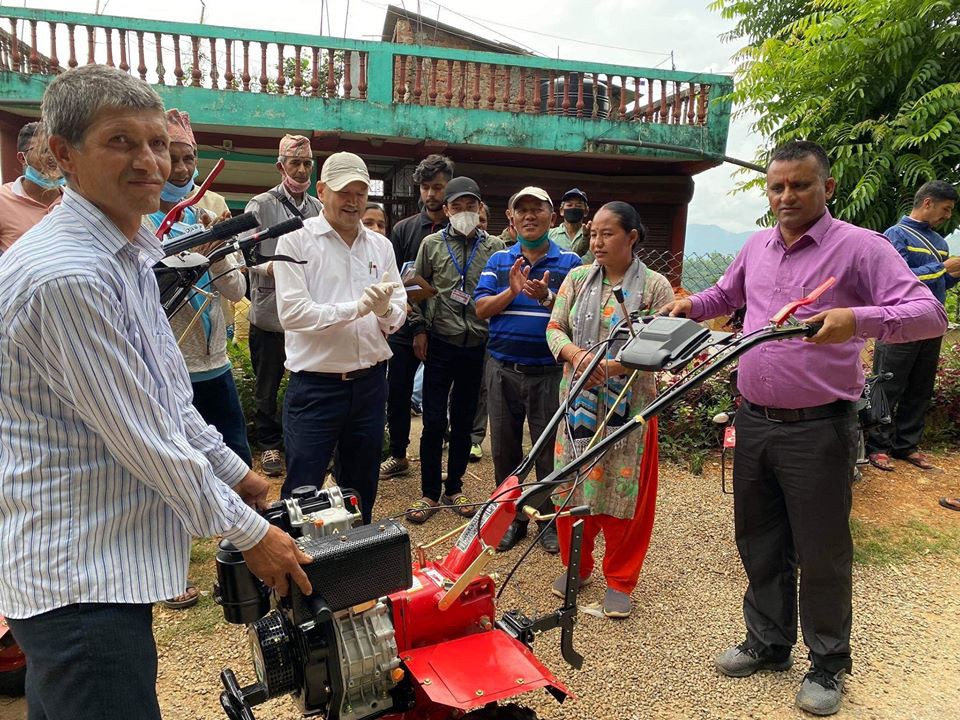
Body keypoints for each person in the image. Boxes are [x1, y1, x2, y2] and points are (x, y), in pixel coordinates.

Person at [0, 64, 312, 720]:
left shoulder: (128, 251)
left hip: (93, 567)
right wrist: (249, 532)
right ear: (63, 154)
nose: (150, 160)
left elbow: (164, 395)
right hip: (77, 581)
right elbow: (141, 436)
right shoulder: (69, 276)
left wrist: (238, 475)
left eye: (156, 142)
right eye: (121, 141)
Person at [664, 141, 947, 716]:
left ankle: (827, 664)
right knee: (759, 541)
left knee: (820, 551)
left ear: (828, 188)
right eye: (777, 187)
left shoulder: (860, 249)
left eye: (800, 185)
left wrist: (856, 319)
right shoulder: (755, 247)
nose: (786, 196)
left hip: (819, 428)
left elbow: (928, 313)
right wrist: (690, 306)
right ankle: (768, 642)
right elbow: (728, 295)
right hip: (753, 421)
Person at [144, 109, 250, 610]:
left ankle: (240, 547)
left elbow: (236, 288)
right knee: (171, 465)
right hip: (166, 369)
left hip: (214, 361)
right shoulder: (140, 215)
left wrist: (221, 244)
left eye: (190, 157)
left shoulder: (211, 205)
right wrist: (178, 249)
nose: (183, 167)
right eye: (174, 156)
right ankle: (171, 571)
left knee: (235, 453)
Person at [546, 201, 673, 615]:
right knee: (572, 483)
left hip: (630, 405)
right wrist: (575, 356)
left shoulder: (656, 287)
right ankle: (576, 565)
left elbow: (661, 346)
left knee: (624, 492)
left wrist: (613, 365)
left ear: (632, 237)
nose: (597, 241)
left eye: (607, 233)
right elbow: (554, 326)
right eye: (593, 233)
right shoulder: (578, 278)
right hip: (578, 401)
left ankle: (620, 579)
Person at [274, 151, 405, 523]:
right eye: (343, 191)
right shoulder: (296, 241)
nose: (353, 201)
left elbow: (397, 314)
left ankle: (355, 569)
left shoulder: (380, 246)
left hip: (369, 385)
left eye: (360, 192)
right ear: (321, 190)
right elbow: (294, 314)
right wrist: (358, 307)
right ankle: (298, 576)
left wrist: (383, 311)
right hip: (316, 388)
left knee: (362, 486)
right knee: (303, 490)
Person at [475, 186, 582, 554]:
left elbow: (577, 315)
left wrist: (546, 297)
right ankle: (509, 518)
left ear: (552, 219)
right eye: (522, 211)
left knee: (550, 449)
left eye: (538, 210)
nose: (530, 216)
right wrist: (512, 292)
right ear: (511, 218)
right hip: (502, 368)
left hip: (549, 372)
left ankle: (546, 518)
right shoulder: (498, 260)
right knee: (503, 448)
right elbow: (481, 309)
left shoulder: (570, 264)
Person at [407, 177, 505, 522]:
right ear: (445, 209)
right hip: (441, 342)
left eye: (470, 205)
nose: (464, 212)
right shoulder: (431, 245)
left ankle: (455, 488)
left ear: (480, 208)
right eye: (457, 206)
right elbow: (415, 292)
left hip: (477, 346)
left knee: (464, 421)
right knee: (433, 421)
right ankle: (429, 493)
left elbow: (504, 294)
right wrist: (418, 329)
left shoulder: (496, 247)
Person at [866, 180, 959, 472]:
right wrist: (942, 269)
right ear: (928, 203)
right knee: (886, 385)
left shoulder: (941, 243)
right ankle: (876, 446)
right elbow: (896, 280)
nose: (947, 216)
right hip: (899, 323)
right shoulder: (895, 235)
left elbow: (939, 284)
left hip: (932, 325)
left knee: (920, 386)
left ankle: (906, 444)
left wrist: (952, 274)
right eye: (945, 209)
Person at [244, 134, 323, 477]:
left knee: (305, 380)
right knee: (267, 383)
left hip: (306, 313)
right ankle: (269, 445)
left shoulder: (319, 209)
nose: (303, 170)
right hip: (270, 311)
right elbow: (244, 253)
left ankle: (298, 441)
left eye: (307, 164)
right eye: (296, 163)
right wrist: (273, 267)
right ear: (280, 166)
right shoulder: (260, 205)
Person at [380, 155, 455, 480]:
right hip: (405, 324)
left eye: (438, 187)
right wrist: (413, 323)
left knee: (437, 395)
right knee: (397, 392)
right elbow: (394, 280)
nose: (431, 194)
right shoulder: (404, 229)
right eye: (425, 187)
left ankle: (434, 458)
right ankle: (398, 453)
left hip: (443, 326)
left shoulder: (460, 232)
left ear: (449, 186)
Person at [0, 121, 63, 253]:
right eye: (43, 150)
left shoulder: (74, 200)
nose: (52, 157)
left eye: (56, 150)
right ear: (22, 158)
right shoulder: (3, 200)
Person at [548, 187, 590, 255]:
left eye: (578, 206)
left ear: (586, 211)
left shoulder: (592, 236)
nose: (573, 208)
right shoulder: (549, 235)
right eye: (569, 205)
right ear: (561, 211)